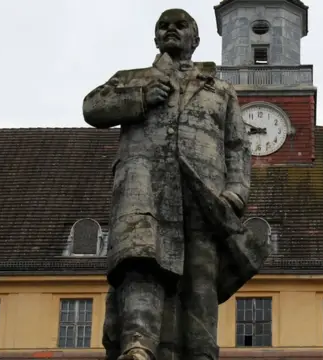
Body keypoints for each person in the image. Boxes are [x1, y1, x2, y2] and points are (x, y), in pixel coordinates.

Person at [82, 8, 256, 360]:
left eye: (180, 26)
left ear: (196, 38)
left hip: (203, 193)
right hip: (144, 187)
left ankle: (200, 352)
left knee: (200, 276)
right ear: (156, 37)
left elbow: (237, 145)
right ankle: (138, 346)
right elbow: (92, 107)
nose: (171, 31)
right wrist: (142, 97)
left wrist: (236, 191)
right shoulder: (133, 79)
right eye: (164, 26)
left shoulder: (220, 89)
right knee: (141, 262)